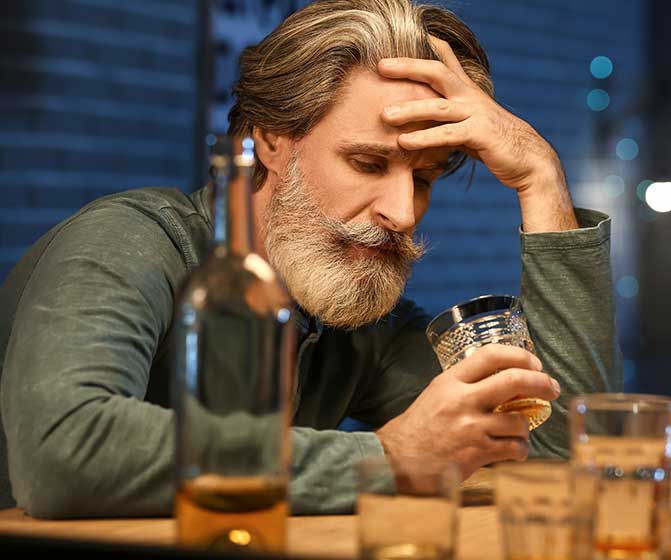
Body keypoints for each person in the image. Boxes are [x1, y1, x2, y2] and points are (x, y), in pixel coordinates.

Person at [0, 0, 621, 519]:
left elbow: (554, 458)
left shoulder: (355, 321)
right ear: (269, 142)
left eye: (426, 176)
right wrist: (387, 458)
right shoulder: (129, 241)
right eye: (368, 163)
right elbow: (62, 452)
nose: (403, 213)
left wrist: (542, 180)